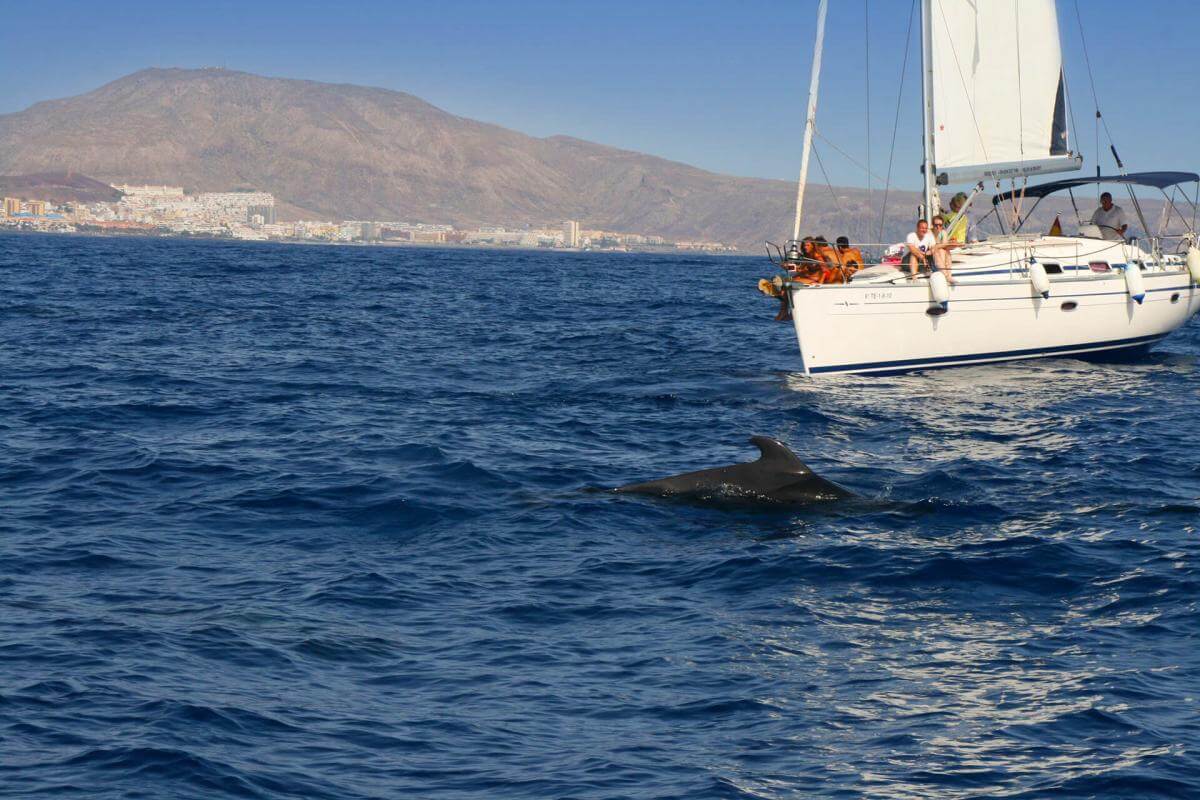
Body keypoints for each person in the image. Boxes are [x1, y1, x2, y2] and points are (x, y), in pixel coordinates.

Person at [930, 215, 958, 282]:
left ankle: (948, 275)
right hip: (931, 255)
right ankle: (946, 276)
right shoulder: (930, 233)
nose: (938, 227)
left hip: (939, 255)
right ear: (932, 225)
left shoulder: (943, 232)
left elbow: (944, 245)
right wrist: (939, 246)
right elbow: (931, 247)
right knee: (941, 250)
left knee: (946, 251)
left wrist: (938, 246)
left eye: (940, 225)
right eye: (936, 225)